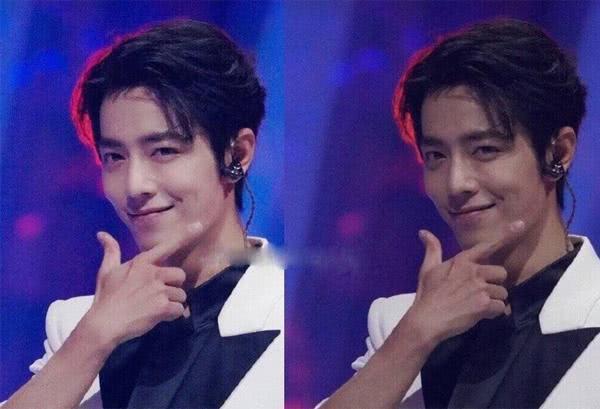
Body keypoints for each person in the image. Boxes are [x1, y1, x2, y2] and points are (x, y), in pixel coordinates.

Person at [4, 19, 283, 409]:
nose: (135, 185)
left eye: (163, 151)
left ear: (236, 154)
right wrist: (94, 338)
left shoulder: (284, 311)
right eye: (114, 157)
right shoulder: (78, 325)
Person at [321, 19, 600, 409]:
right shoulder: (401, 323)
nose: (456, 183)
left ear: (559, 152)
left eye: (485, 150)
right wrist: (416, 334)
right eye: (436, 156)